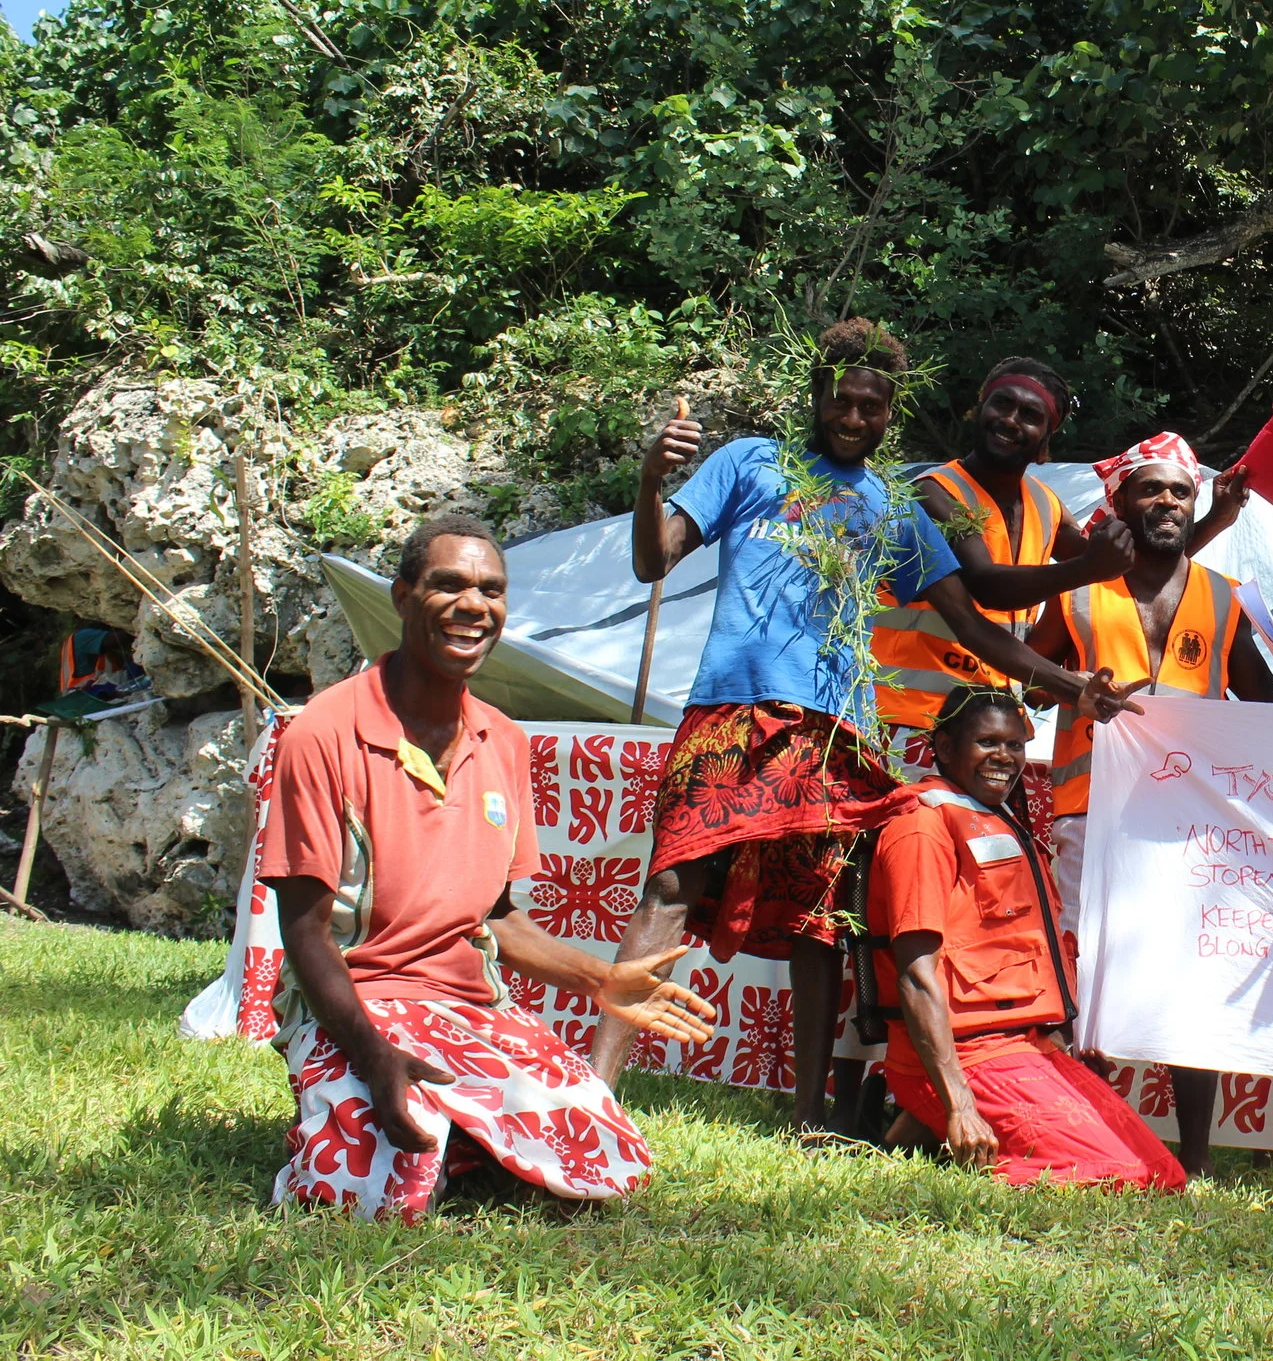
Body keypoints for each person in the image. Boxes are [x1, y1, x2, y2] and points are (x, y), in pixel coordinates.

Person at [586, 320, 1135, 1136]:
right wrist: (649, 482)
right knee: (673, 883)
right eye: (840, 401)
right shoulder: (749, 463)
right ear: (814, 395)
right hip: (731, 709)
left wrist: (1068, 686)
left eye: (871, 408)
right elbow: (652, 559)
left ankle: (809, 1116)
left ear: (891, 414)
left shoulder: (895, 503)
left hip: (838, 729)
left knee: (822, 922)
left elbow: (975, 621)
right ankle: (596, 1089)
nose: (853, 418)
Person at [260, 515, 717, 1221]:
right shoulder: (324, 733)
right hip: (355, 1005)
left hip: (465, 1007)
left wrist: (601, 977)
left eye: (492, 590)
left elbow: (496, 916)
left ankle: (461, 1138)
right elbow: (306, 933)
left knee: (599, 1150)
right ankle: (405, 1125)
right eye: (449, 585)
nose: (475, 605)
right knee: (365, 1188)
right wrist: (376, 1056)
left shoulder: (500, 738)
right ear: (403, 596)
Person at [1022, 432, 1273, 1176]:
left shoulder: (1223, 597)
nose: (1167, 502)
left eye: (1179, 491)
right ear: (1121, 502)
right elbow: (1031, 678)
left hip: (1188, 824)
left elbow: (1259, 699)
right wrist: (1076, 688)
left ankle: (1195, 1158)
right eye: (1151, 490)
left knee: (1189, 976)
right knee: (1088, 978)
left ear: (1194, 501)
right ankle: (1087, 1140)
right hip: (1089, 806)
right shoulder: (1074, 590)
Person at [857, 684, 1186, 1191]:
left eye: (1014, 746)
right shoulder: (922, 827)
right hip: (965, 1058)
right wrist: (959, 1104)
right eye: (988, 743)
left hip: (1026, 1047)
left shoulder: (999, 818)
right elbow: (917, 975)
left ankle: (915, 1141)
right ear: (944, 748)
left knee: (1162, 1173)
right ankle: (946, 1133)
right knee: (1118, 1178)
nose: (1004, 758)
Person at [872, 358, 1248, 757]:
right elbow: (988, 586)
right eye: (1002, 404)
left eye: (1030, 415)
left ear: (1047, 436)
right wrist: (1086, 573)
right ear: (979, 409)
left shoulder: (1043, 504)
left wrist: (1212, 522)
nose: (1011, 420)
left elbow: (1127, 569)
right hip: (907, 721)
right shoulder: (933, 493)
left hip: (986, 729)